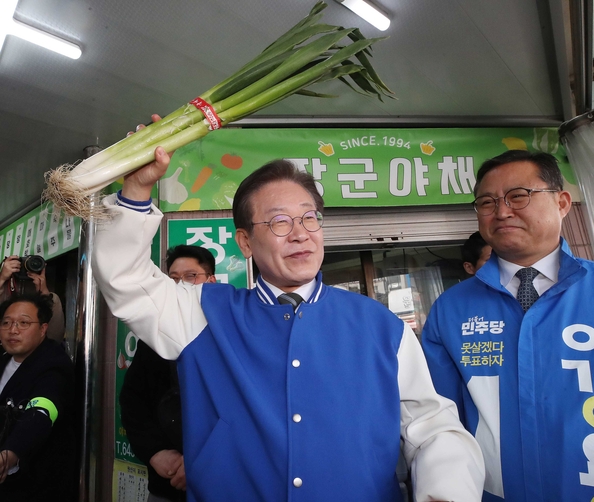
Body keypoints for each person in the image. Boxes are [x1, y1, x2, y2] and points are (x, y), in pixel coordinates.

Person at [92, 142, 485, 501]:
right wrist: (138, 189)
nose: (300, 235)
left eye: (309, 219)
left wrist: (445, 492)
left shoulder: (380, 326)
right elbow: (124, 280)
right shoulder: (202, 314)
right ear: (244, 242)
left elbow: (431, 425)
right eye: (280, 222)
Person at [422, 149, 594, 501]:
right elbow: (442, 425)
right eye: (487, 202)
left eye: (518, 196)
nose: (502, 211)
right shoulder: (451, 310)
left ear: (562, 202)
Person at [120, 245, 217, 502]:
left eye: (191, 276)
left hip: (224, 480)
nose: (181, 285)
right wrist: (155, 452)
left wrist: (201, 461)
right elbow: (133, 401)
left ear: (211, 281)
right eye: (173, 279)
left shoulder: (232, 332)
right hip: (167, 481)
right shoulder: (153, 337)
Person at [0, 293, 75, 502]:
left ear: (43, 329)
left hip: (37, 487)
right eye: (6, 323)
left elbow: (41, 411)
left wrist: (11, 453)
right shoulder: (4, 360)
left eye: (24, 323)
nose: (13, 330)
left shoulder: (53, 365)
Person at [0, 256, 65, 343]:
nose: (13, 330)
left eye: (24, 323)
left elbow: (55, 337)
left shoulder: (51, 299)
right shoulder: (4, 289)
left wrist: (45, 296)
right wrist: (2, 279)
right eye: (21, 261)